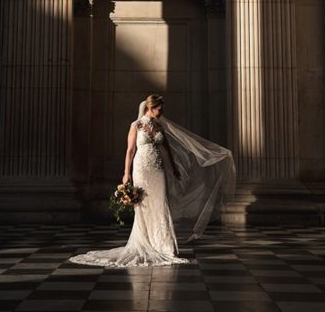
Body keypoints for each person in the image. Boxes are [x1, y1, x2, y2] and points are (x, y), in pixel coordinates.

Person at [69, 94, 236, 267]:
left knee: (160, 203)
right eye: (159, 108)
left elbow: (167, 149)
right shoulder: (136, 125)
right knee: (144, 205)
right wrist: (126, 173)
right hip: (141, 168)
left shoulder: (159, 126)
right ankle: (145, 242)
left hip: (158, 168)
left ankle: (164, 246)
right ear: (150, 107)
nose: (161, 111)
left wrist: (174, 167)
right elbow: (130, 150)